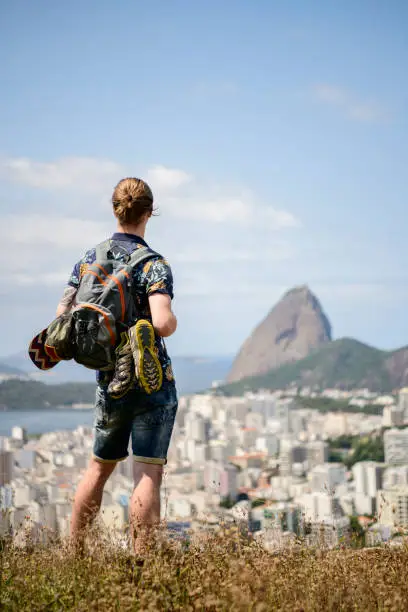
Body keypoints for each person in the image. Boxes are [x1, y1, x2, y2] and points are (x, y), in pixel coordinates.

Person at [56, 177, 178, 553]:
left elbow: (63, 314)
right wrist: (165, 322)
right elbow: (161, 323)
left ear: (115, 209)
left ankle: (74, 553)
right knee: (147, 472)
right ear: (149, 213)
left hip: (110, 380)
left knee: (98, 468)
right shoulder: (154, 265)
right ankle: (141, 559)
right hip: (151, 380)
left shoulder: (87, 260)